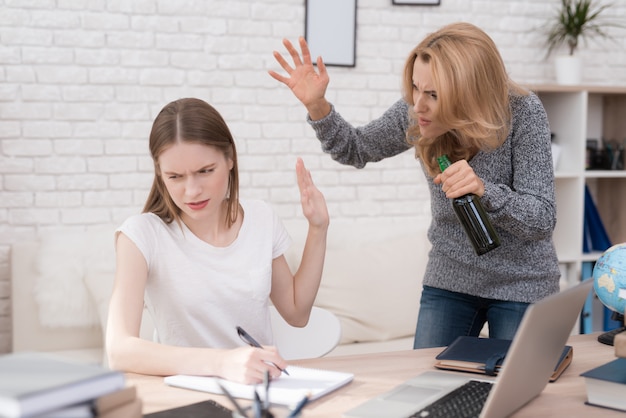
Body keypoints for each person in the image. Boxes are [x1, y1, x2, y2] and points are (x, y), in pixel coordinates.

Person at [269, 22, 560, 349]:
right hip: (450, 278)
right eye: (415, 88)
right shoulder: (417, 112)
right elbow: (356, 148)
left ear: (468, 92)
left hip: (522, 283)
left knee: (515, 390)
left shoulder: (523, 111)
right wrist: (317, 105)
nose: (418, 105)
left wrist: (483, 190)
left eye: (433, 95)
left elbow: (541, 218)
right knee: (427, 384)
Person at [106, 98, 329, 383]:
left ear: (230, 159)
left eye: (205, 171)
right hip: (185, 399)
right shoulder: (141, 235)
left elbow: (297, 312)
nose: (192, 191)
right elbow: (119, 350)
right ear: (160, 174)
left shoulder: (260, 218)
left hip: (259, 393)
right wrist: (223, 363)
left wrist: (318, 228)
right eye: (174, 176)